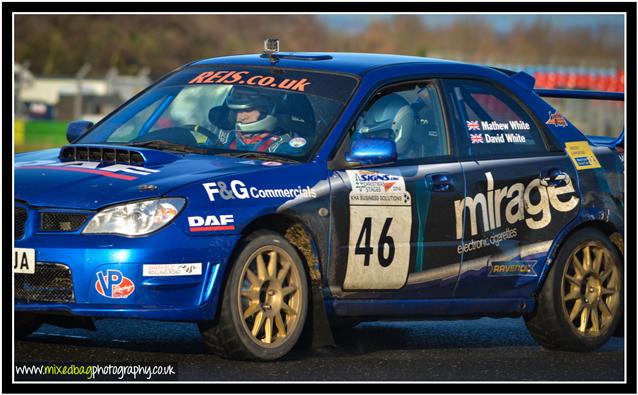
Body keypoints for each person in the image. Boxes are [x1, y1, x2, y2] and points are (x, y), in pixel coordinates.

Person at [213, 86, 306, 155]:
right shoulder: (225, 137)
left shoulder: (281, 146)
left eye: (247, 110)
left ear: (266, 111)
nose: (241, 117)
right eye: (236, 111)